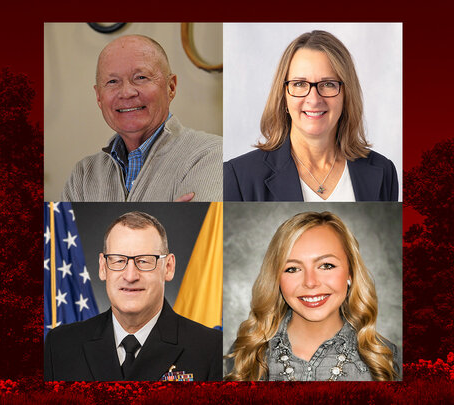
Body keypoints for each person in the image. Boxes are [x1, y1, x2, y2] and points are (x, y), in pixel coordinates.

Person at [44, 211, 222, 381]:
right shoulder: (60, 345)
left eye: (144, 261)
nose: (130, 276)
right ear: (102, 267)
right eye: (119, 260)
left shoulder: (209, 348)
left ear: (168, 267)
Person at [224, 30, 398, 201]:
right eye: (299, 83)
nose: (314, 99)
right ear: (284, 96)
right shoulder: (238, 176)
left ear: (346, 95)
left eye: (328, 84)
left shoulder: (384, 171)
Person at [225, 212, 400, 381]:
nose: (310, 282)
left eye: (326, 265)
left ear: (350, 272)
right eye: (292, 269)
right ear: (276, 278)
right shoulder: (245, 354)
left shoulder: (388, 359)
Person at [62, 35, 222, 202]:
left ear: (171, 87)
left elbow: (202, 228)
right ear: (98, 97)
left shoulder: (212, 156)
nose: (126, 92)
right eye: (112, 81)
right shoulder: (82, 176)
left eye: (141, 77)